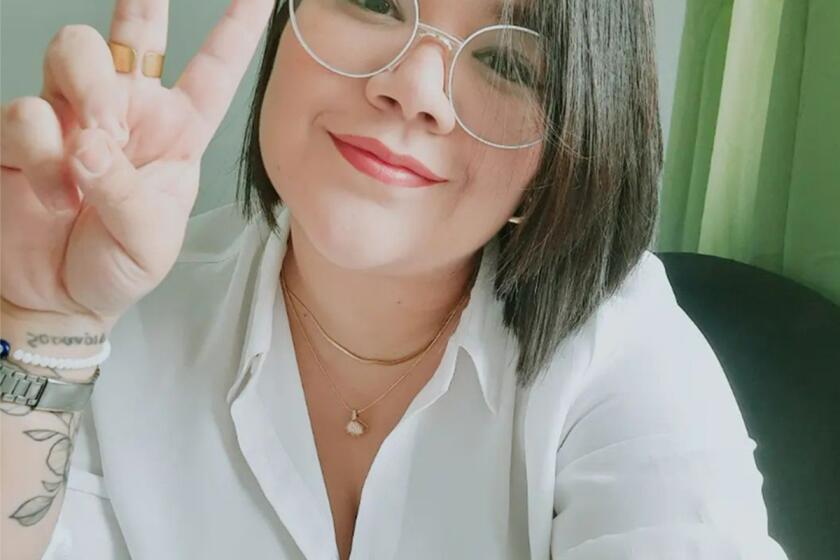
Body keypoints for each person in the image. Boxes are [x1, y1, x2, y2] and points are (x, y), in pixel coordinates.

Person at [0, 0, 790, 558]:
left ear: (567, 146)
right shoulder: (123, 312)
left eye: (506, 62)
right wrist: (43, 321)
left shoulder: (620, 354)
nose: (414, 87)